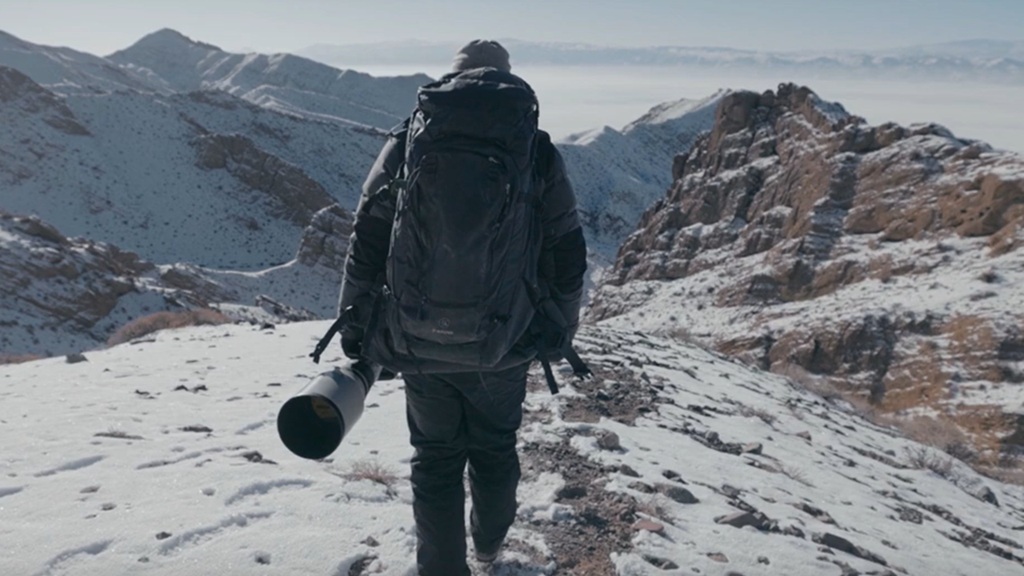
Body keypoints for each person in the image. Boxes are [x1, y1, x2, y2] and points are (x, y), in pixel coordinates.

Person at [336, 39, 587, 576]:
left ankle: (441, 569)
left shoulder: (409, 139)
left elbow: (368, 235)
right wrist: (560, 327)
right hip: (505, 342)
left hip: (419, 339)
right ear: (506, 78)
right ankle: (489, 549)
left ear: (451, 78)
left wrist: (357, 323)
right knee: (495, 451)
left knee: (436, 461)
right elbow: (567, 247)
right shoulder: (534, 148)